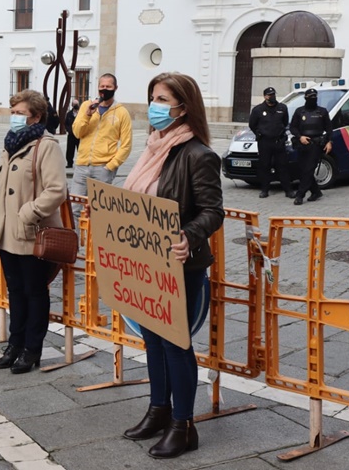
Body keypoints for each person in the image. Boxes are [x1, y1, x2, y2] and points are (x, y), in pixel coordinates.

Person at [120, 72, 223, 459]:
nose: (155, 106)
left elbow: (213, 211)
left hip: (181, 262)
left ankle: (184, 426)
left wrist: (188, 236)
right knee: (151, 339)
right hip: (147, 260)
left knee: (176, 344)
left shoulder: (199, 154)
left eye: (163, 99)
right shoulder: (153, 148)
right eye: (153, 98)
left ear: (184, 106)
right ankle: (158, 410)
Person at [0, 89, 67, 374]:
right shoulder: (9, 144)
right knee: (15, 291)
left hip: (31, 232)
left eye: (20, 113)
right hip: (7, 232)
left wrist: (28, 213)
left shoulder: (46, 146)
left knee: (34, 291)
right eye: (13, 112)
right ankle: (14, 344)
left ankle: (33, 348)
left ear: (36, 116)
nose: (15, 118)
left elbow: (57, 190)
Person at [70, 74, 133, 217]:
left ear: (115, 88)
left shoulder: (122, 113)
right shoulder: (87, 106)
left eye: (108, 86)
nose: (105, 89)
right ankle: (79, 240)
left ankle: (96, 240)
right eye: (102, 86)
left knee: (99, 212)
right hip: (82, 166)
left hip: (103, 168)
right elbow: (77, 133)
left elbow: (126, 144)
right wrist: (87, 115)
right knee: (75, 209)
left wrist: (111, 166)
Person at [249, 87, 295, 199]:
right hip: (265, 142)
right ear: (265, 96)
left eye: (273, 94)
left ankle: (288, 190)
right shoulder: (258, 110)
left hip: (279, 141)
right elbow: (252, 124)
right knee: (265, 166)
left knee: (282, 166)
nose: (272, 96)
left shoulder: (282, 108)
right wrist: (259, 133)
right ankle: (264, 190)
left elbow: (284, 122)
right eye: (269, 95)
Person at [289, 87, 332, 205]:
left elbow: (329, 128)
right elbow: (293, 127)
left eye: (315, 97)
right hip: (302, 144)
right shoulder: (299, 111)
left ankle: (300, 195)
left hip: (316, 145)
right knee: (302, 170)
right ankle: (316, 192)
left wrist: (329, 141)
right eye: (311, 97)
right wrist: (300, 137)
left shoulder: (322, 112)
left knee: (308, 169)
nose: (313, 99)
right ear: (305, 98)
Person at [64, 99, 80, 168]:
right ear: (72, 105)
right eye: (74, 104)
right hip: (71, 135)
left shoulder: (81, 113)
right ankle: (69, 163)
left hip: (79, 135)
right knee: (70, 150)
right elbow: (66, 123)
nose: (76, 106)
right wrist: (69, 130)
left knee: (80, 149)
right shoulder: (69, 114)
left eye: (77, 104)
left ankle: (81, 163)